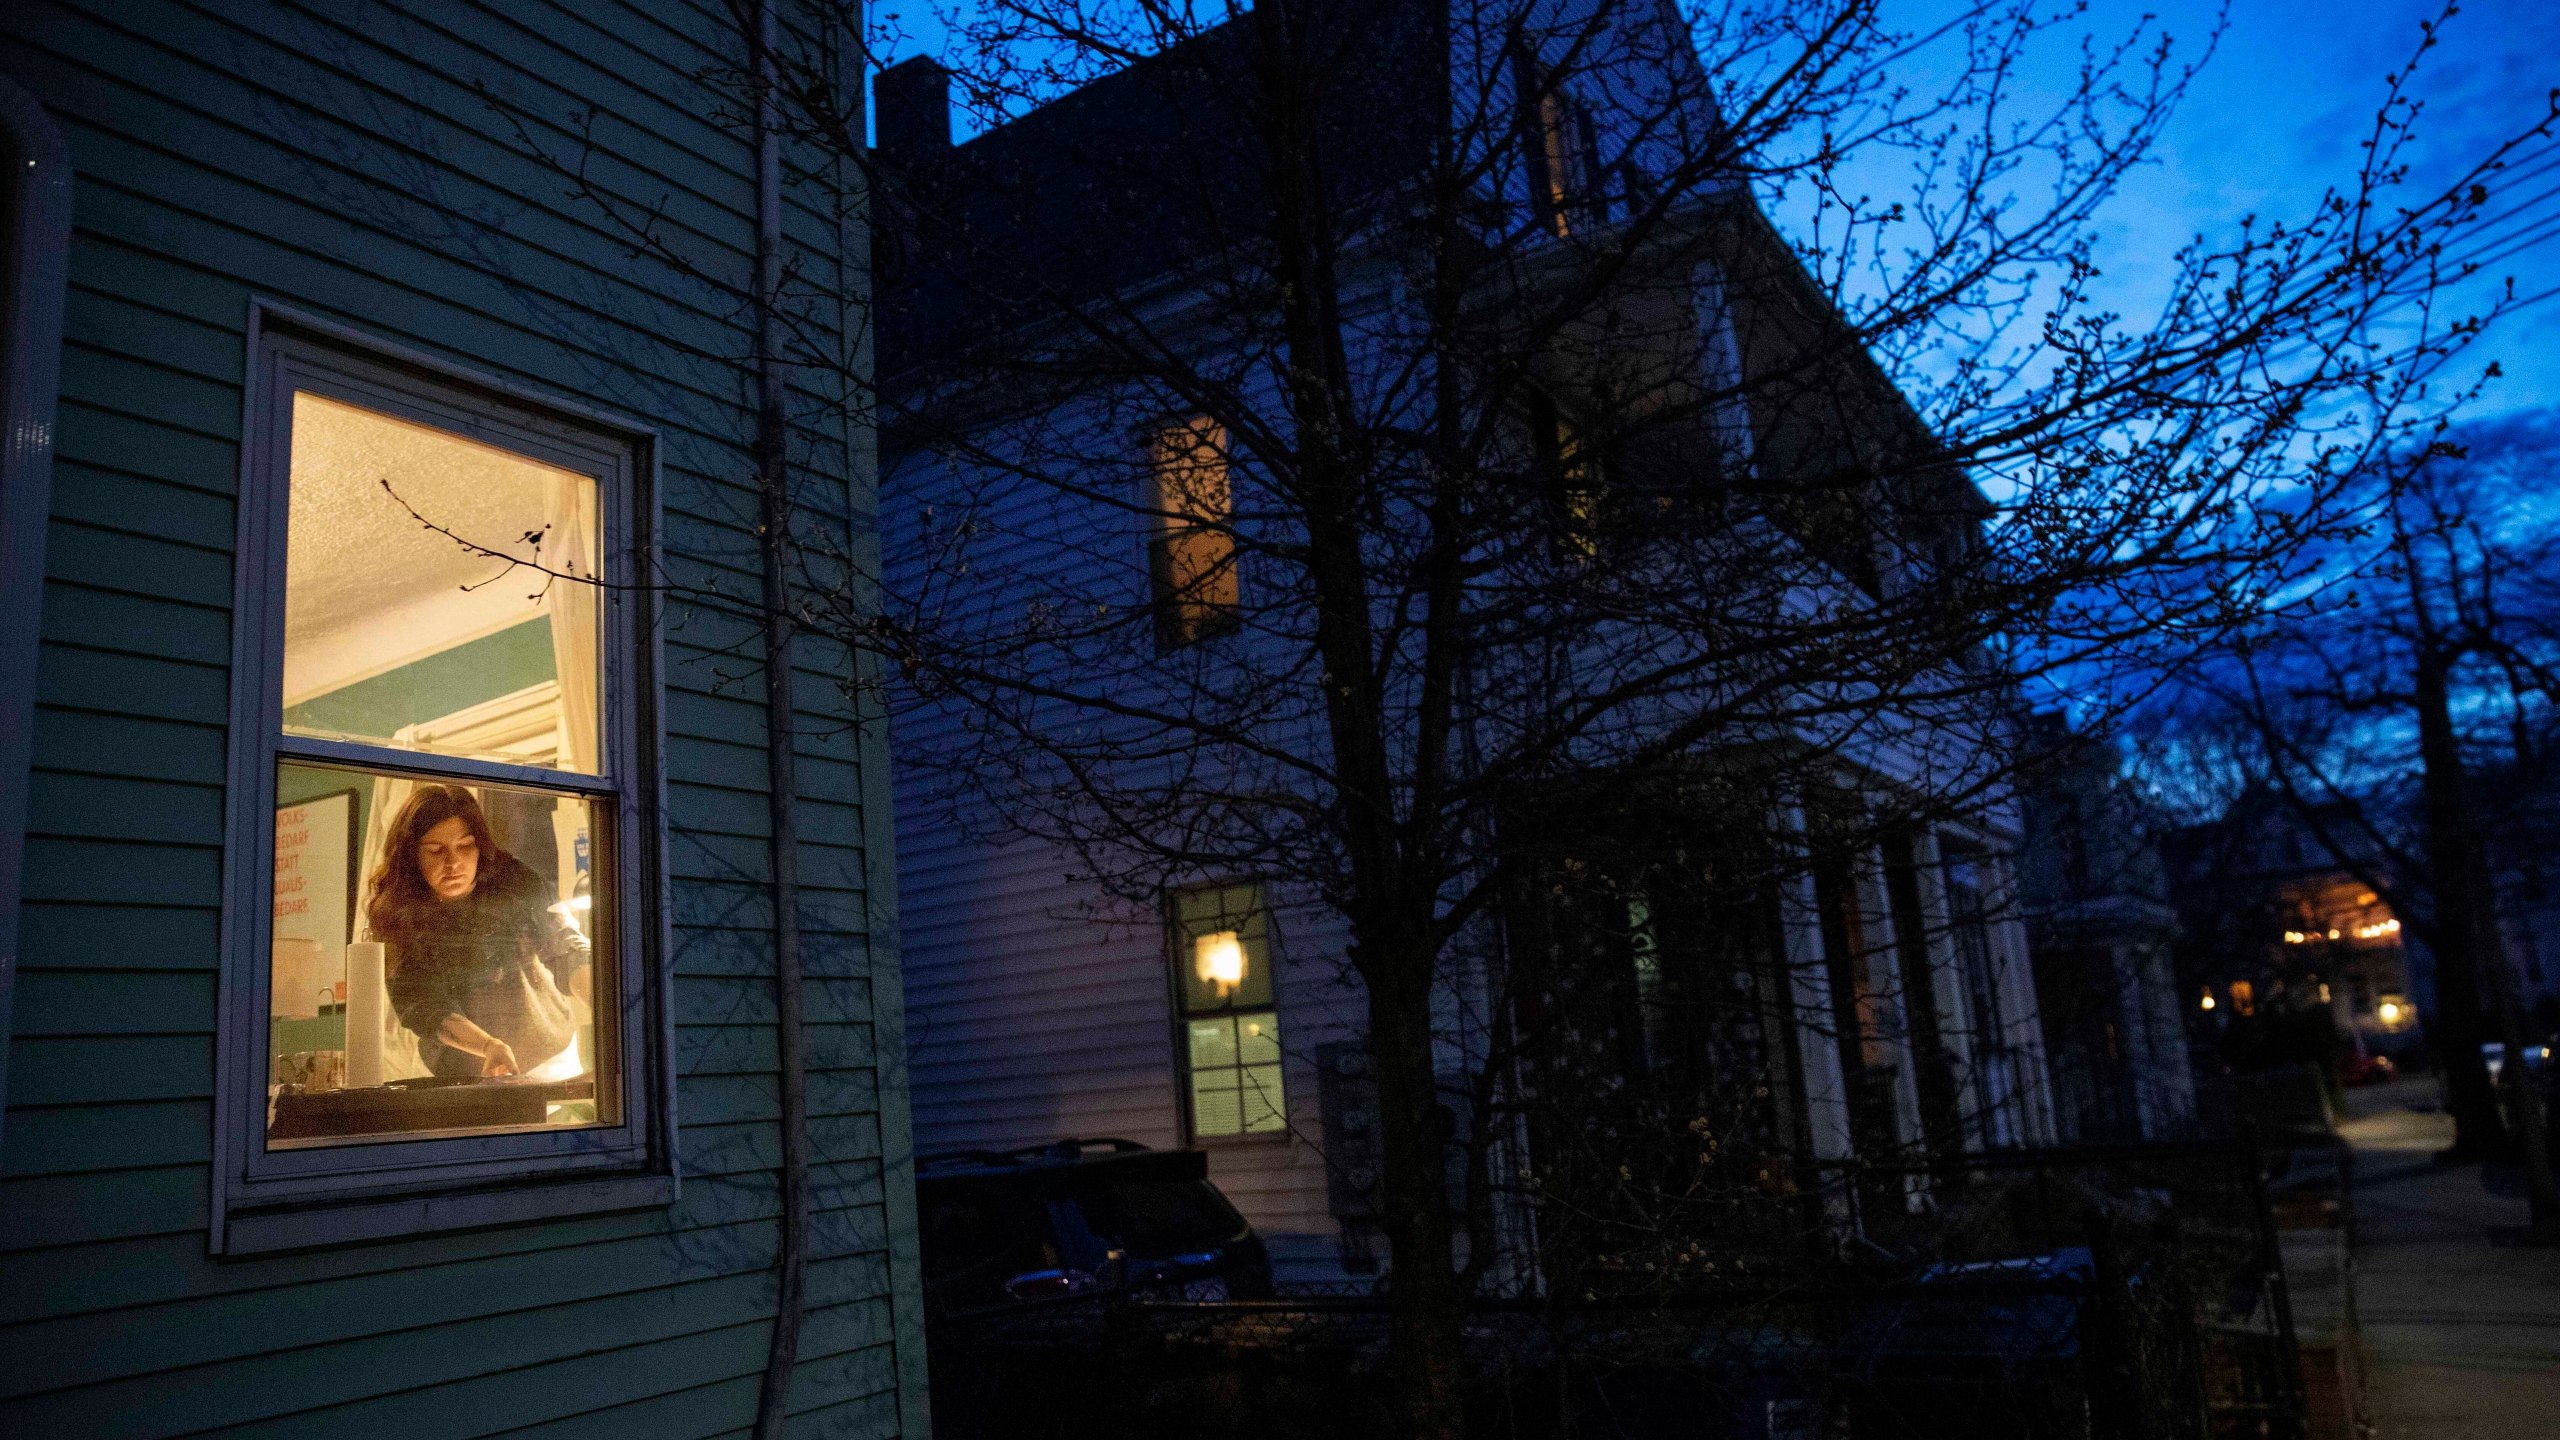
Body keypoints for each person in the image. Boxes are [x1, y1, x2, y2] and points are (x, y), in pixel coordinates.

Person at [368, 784, 590, 1080]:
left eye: (465, 846)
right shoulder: (397, 914)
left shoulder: (514, 880)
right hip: (461, 1073)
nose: (453, 863)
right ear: (411, 856)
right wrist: (488, 1046)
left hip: (550, 1059)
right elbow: (424, 1005)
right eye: (436, 851)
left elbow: (564, 946)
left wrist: (606, 1005)